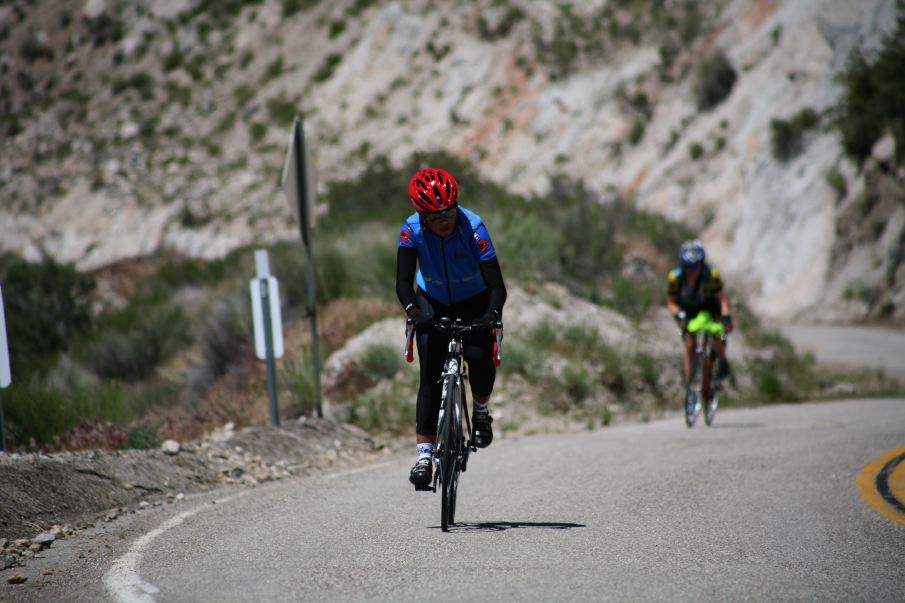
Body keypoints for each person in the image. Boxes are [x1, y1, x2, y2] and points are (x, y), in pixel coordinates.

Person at [396, 167, 507, 489]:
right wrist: (413, 310)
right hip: (431, 300)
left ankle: (482, 412)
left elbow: (497, 285)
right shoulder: (411, 230)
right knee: (429, 375)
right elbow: (403, 282)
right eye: (433, 216)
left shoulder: (474, 228)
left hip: (475, 299)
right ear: (421, 215)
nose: (442, 221)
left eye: (447, 213)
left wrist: (492, 314)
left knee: (479, 355)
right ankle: (424, 456)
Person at [666, 240, 733, 401]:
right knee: (690, 345)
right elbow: (671, 302)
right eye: (688, 267)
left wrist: (726, 317)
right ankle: (689, 384)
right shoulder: (675, 277)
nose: (692, 271)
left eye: (695, 267)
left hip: (709, 305)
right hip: (688, 308)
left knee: (716, 333)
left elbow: (722, 299)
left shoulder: (711, 274)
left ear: (702, 265)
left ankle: (722, 362)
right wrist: (678, 315)